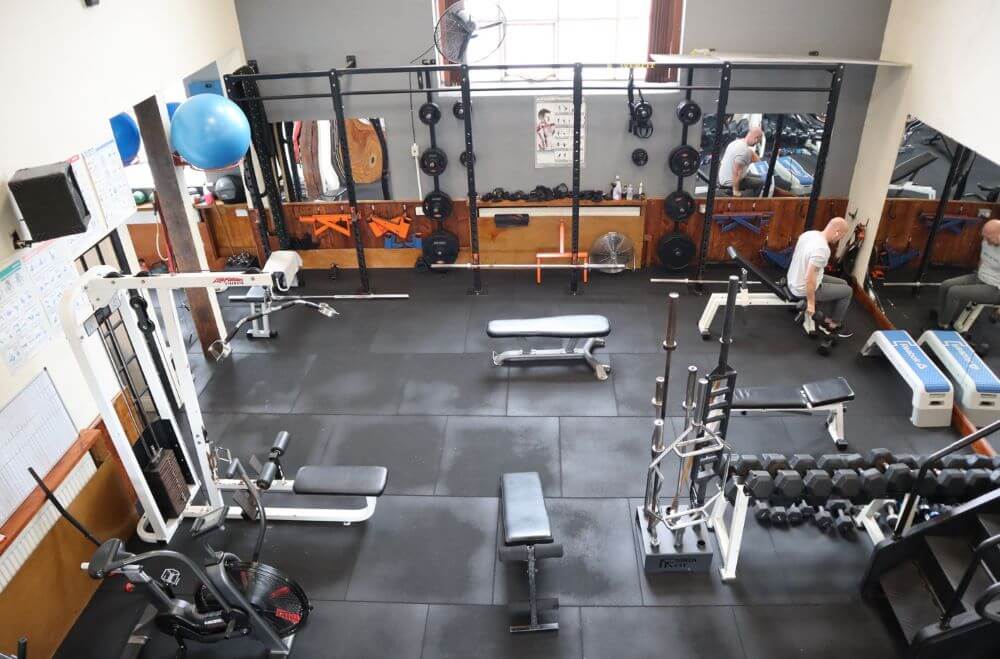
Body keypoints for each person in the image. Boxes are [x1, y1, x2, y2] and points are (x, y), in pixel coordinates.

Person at [786, 217, 853, 337]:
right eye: (841, 236)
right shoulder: (822, 249)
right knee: (848, 291)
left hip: (793, 278)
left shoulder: (809, 234)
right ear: (837, 232)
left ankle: (828, 317)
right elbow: (810, 278)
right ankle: (832, 325)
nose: (839, 239)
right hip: (802, 288)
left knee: (843, 283)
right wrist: (811, 303)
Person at [934, 219, 1000, 328]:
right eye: (985, 237)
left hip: (995, 289)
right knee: (946, 284)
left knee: (954, 292)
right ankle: (942, 312)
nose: (986, 241)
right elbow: (982, 260)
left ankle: (943, 323)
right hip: (980, 277)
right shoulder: (986, 242)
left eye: (989, 238)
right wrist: (977, 276)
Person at [718, 126, 763, 196]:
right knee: (762, 183)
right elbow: (737, 173)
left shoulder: (736, 142)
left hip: (723, 177)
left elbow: (758, 161)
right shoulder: (744, 151)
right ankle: (755, 202)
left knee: (760, 177)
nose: (756, 144)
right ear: (756, 139)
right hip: (729, 182)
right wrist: (736, 191)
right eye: (757, 142)